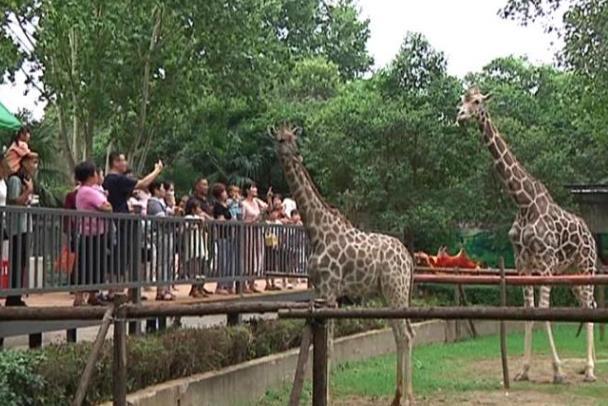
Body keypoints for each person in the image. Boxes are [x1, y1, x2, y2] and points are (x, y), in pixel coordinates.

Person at [102, 152, 163, 284]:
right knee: (122, 255)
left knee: (121, 255)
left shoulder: (107, 179)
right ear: (115, 162)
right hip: (122, 223)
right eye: (123, 161)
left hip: (117, 220)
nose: (126, 164)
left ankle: (121, 288)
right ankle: (118, 289)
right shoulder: (117, 179)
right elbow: (142, 183)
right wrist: (156, 170)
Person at [74, 162, 112, 306]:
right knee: (88, 264)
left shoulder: (83, 190)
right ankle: (80, 297)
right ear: (92, 175)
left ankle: (92, 295)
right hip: (92, 234)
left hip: (92, 232)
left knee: (93, 264)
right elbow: (106, 206)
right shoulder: (88, 191)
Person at [5, 153, 37, 306]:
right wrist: (28, 191)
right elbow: (14, 202)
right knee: (16, 261)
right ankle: (12, 297)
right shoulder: (15, 180)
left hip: (25, 226)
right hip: (17, 227)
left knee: (22, 261)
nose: (35, 166)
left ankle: (16, 295)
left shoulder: (26, 180)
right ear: (23, 162)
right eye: (33, 162)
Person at [241, 182, 271, 293]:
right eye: (253, 187)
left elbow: (269, 209)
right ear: (247, 191)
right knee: (247, 257)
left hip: (258, 233)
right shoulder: (243, 204)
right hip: (248, 233)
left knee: (257, 256)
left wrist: (269, 198)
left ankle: (252, 283)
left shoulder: (257, 201)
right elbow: (242, 220)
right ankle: (244, 284)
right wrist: (254, 220)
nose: (255, 189)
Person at [147, 181, 175, 301]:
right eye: (163, 188)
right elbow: (162, 219)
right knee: (162, 262)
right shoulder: (153, 202)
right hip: (160, 234)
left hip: (166, 234)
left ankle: (166, 289)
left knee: (167, 262)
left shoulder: (161, 203)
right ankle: (161, 290)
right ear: (156, 190)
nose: (165, 191)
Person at [212, 183, 235, 295]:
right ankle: (220, 285)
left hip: (230, 235)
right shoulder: (218, 206)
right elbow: (220, 220)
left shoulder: (227, 205)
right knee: (223, 261)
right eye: (224, 191)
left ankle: (227, 285)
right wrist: (228, 221)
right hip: (222, 236)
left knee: (230, 261)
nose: (226, 193)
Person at [183, 199, 209, 298]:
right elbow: (187, 227)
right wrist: (197, 223)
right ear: (193, 209)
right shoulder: (188, 217)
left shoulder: (198, 217)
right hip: (192, 244)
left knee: (202, 266)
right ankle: (194, 288)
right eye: (197, 207)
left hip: (199, 243)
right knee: (195, 268)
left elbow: (203, 226)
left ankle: (200, 287)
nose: (199, 209)